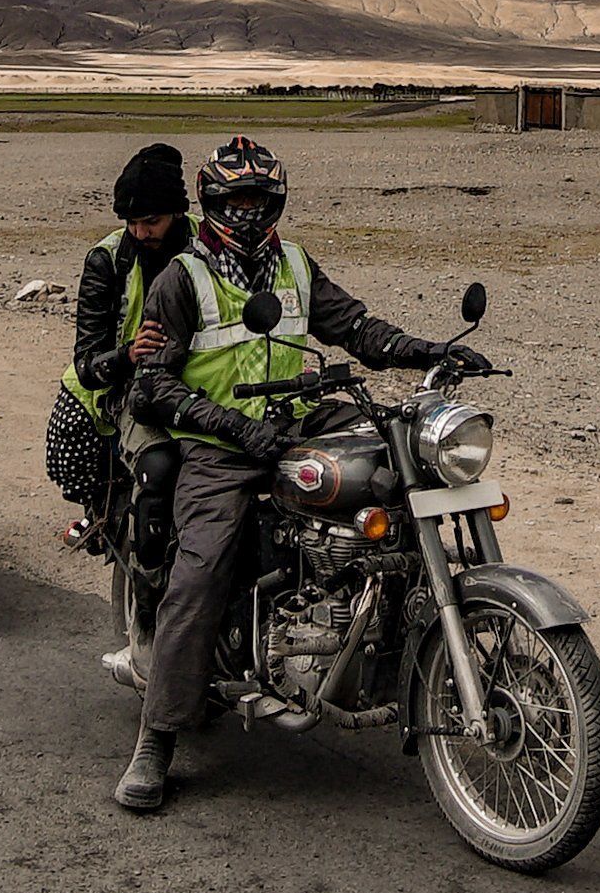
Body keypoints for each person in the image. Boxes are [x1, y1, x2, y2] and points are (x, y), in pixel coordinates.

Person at [112, 137, 483, 816]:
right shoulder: (183, 278)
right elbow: (152, 386)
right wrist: (232, 424)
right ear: (213, 204)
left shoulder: (292, 263)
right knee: (199, 572)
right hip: (219, 446)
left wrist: (426, 350)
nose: (248, 214)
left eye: (259, 200)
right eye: (235, 201)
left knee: (395, 463)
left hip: (295, 420)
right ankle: (157, 736)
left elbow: (355, 327)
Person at [47, 142, 189, 555]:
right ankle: (103, 508)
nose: (140, 232)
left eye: (151, 221)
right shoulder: (107, 259)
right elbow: (87, 361)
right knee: (69, 442)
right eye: (131, 222)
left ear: (177, 212)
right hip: (120, 381)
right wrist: (128, 354)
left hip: (195, 375)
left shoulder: (206, 245)